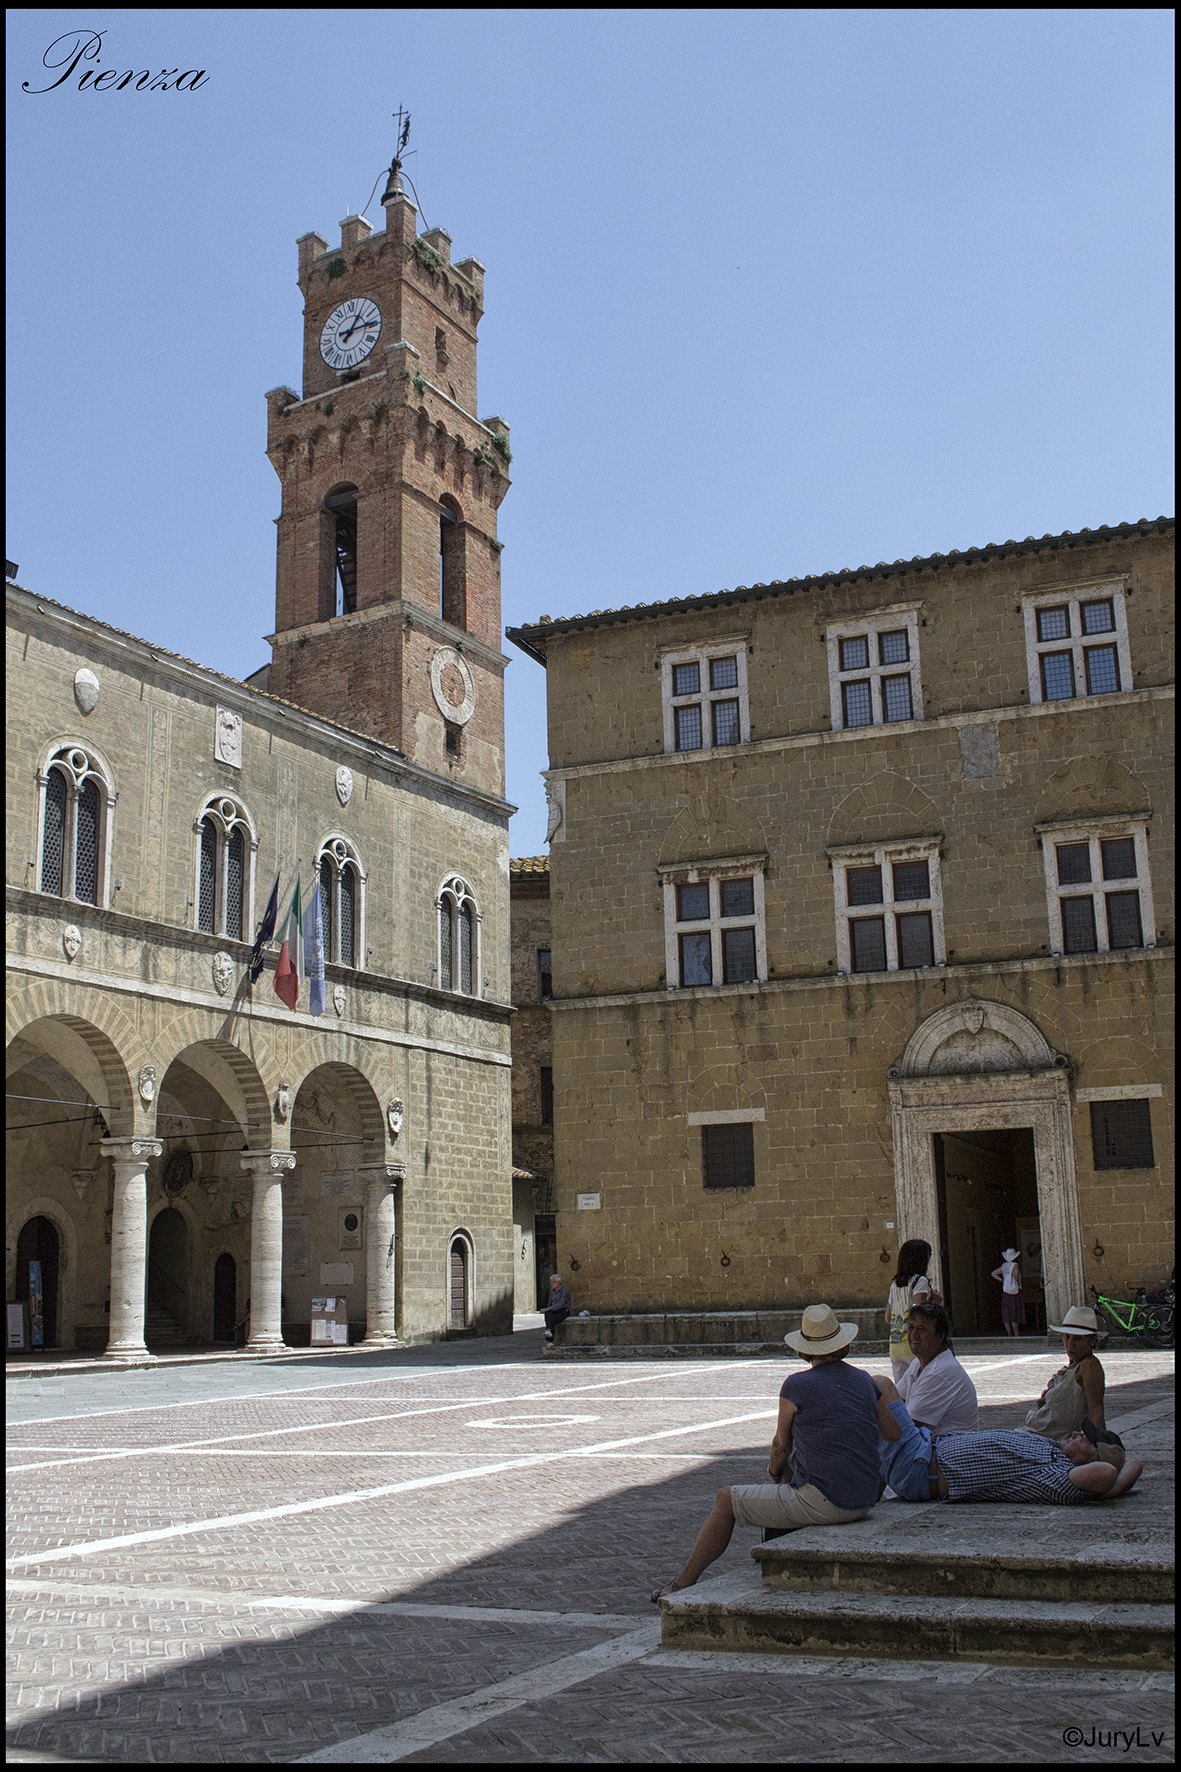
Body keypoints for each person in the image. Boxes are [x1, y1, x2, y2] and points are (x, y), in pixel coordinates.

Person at [650, 1303, 900, 1602]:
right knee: (793, 1469)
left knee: (726, 1500)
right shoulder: (864, 1380)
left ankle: (683, 1582)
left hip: (828, 1503)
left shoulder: (796, 1385)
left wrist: (773, 1471)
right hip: (864, 1498)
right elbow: (893, 1433)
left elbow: (780, 1445)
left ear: (805, 1348)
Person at [876, 1379, 1142, 1505]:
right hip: (923, 1448)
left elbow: (1107, 1472)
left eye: (1085, 1440)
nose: (1076, 1433)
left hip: (918, 1467)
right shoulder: (1050, 1448)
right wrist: (1113, 1486)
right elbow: (1134, 1464)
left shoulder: (1055, 1475)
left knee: (878, 1386)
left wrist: (1108, 1488)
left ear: (1087, 1461)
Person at [1023, 1304, 1125, 1469]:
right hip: (1030, 1435)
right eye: (1067, 1337)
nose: (1070, 1344)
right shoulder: (1066, 1370)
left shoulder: (1089, 1366)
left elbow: (1096, 1412)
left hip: (1046, 1445)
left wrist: (1101, 1455)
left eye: (1077, 1338)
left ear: (1092, 1340)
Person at [896, 1301, 979, 1433]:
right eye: (911, 1327)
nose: (914, 1334)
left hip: (947, 1447)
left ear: (940, 1335)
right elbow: (895, 1398)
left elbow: (906, 1425)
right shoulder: (917, 1364)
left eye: (922, 1329)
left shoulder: (940, 1371)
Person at [886, 1240, 933, 1380]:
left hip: (895, 1345)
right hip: (914, 1344)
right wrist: (933, 1303)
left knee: (902, 1393)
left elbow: (888, 1318)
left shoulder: (895, 1284)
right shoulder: (920, 1281)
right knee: (919, 1390)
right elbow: (919, 1312)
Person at [990, 1245, 1025, 1336]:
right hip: (1014, 1291)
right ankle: (1016, 1333)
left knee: (1006, 1312)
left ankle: (1009, 1333)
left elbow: (993, 1273)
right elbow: (1016, 1274)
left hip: (1006, 1291)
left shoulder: (1004, 1266)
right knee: (1014, 1312)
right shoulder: (1014, 1265)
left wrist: (1002, 1280)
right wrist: (1017, 1284)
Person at [543, 1274, 572, 1342]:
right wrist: (548, 1309)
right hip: (554, 1310)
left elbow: (560, 1304)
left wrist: (547, 1309)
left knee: (550, 1320)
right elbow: (549, 1303)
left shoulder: (565, 1291)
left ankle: (550, 1341)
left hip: (563, 1310)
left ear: (559, 1282)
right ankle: (549, 1331)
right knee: (548, 1315)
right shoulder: (551, 1291)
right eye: (551, 1282)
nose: (552, 1283)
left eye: (554, 1281)